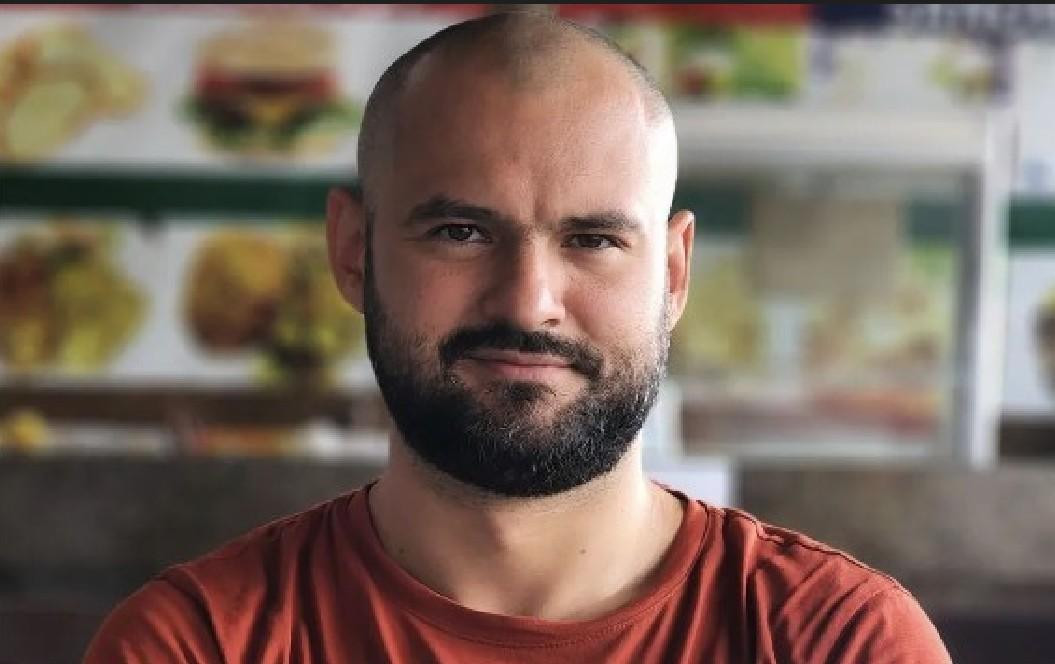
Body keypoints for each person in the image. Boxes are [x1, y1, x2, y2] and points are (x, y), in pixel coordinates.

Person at [85, 11, 951, 663]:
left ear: (673, 274)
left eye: (593, 240)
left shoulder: (837, 641)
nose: (529, 302)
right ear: (352, 252)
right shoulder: (194, 645)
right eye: (460, 232)